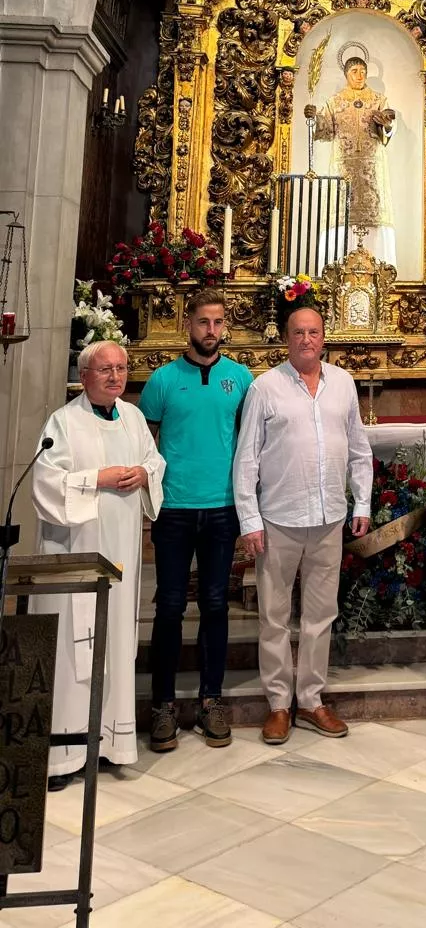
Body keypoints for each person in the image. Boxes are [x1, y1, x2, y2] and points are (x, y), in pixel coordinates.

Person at [233, 302, 372, 746]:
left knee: (320, 615)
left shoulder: (343, 383)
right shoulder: (265, 388)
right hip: (278, 519)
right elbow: (247, 459)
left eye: (314, 332)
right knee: (274, 617)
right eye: (298, 333)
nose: (307, 340)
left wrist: (363, 504)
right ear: (285, 338)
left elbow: (359, 449)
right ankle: (278, 704)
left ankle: (310, 699)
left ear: (324, 337)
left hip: (329, 518)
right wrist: (250, 520)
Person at [31, 342, 165, 790]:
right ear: (84, 375)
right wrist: (98, 479)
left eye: (121, 368)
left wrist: (145, 474)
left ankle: (109, 744)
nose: (115, 376)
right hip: (76, 556)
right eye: (105, 369)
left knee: (114, 645)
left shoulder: (132, 418)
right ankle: (61, 755)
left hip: (120, 558)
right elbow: (46, 482)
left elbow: (154, 459)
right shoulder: (63, 422)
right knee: (74, 649)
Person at [139, 288, 254, 753]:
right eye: (204, 322)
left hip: (222, 508)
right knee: (168, 606)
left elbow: (251, 444)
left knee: (214, 604)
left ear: (225, 326)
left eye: (218, 323)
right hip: (174, 509)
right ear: (189, 324)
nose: (211, 331)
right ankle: (162, 704)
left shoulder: (241, 379)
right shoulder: (163, 380)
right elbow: (143, 445)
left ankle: (211, 699)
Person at [305, 41, 397, 263]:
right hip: (343, 169)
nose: (360, 75)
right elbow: (325, 131)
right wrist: (313, 117)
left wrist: (386, 124)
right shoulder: (335, 101)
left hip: (371, 169)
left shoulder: (378, 100)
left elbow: (387, 133)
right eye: (355, 71)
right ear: (346, 74)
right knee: (340, 218)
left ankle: (379, 269)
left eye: (363, 72)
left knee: (374, 217)